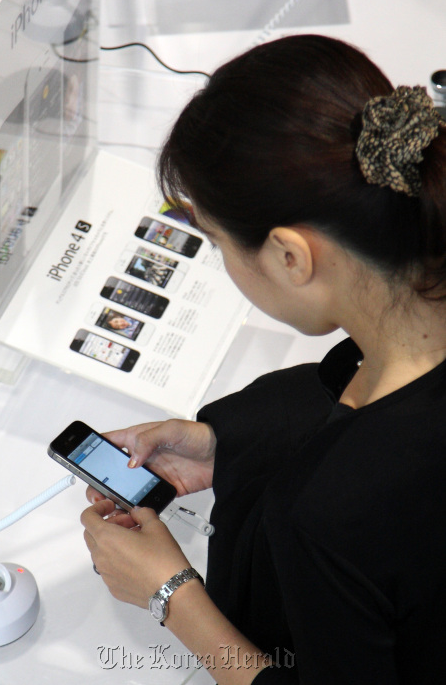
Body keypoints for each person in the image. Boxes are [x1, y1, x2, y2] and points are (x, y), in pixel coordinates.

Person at [81, 35, 446, 684]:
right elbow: (359, 398)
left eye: (218, 241)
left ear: (290, 256)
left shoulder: (332, 520)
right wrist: (227, 443)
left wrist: (172, 594)